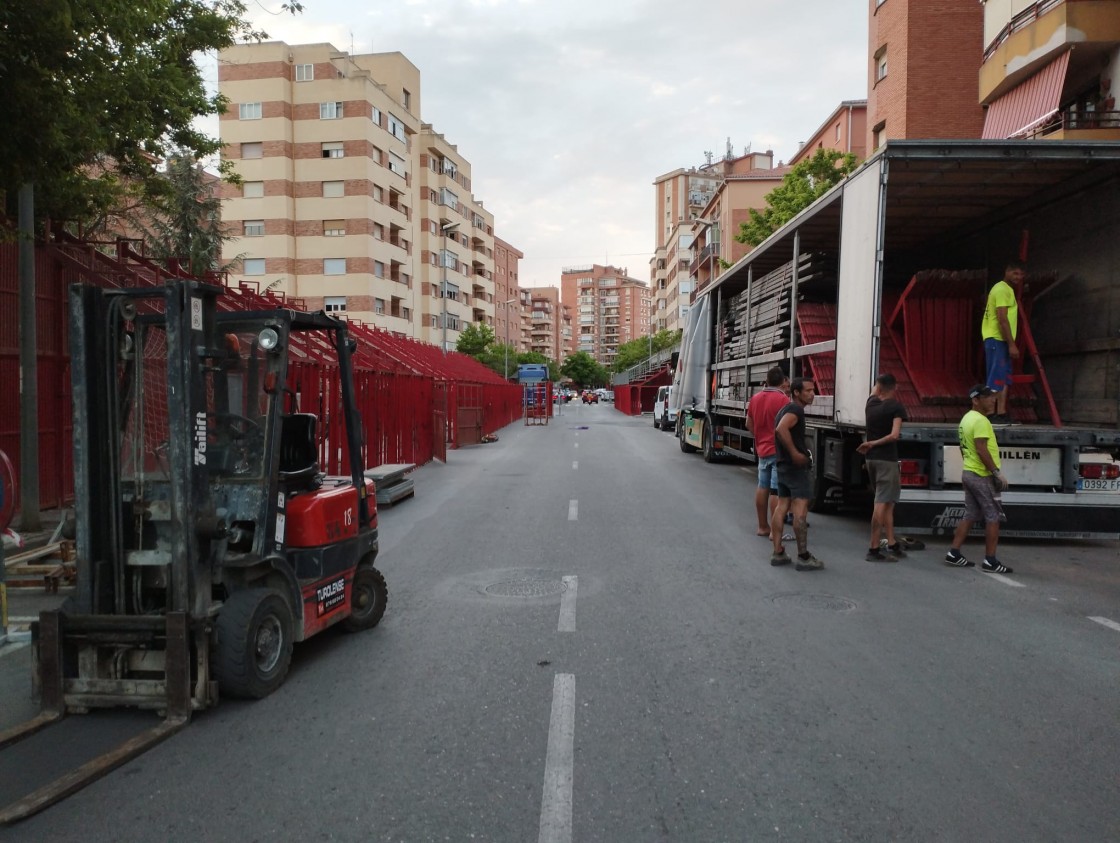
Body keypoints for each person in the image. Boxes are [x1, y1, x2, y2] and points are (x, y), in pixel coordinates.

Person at [944, 384, 1013, 573]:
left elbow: (964, 447)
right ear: (976, 400)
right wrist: (995, 472)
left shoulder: (966, 419)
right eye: (987, 397)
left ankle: (954, 553)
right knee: (993, 516)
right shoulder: (981, 421)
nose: (992, 400)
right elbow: (981, 448)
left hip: (969, 473)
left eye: (992, 397)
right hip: (981, 475)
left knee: (971, 514)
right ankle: (990, 561)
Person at [770, 377, 823, 571]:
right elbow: (781, 429)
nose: (812, 394)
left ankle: (778, 552)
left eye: (813, 390)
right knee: (800, 509)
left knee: (782, 505)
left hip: (783, 466)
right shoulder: (795, 410)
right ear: (796, 393)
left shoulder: (786, 409)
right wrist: (795, 453)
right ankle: (803, 556)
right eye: (807, 391)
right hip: (794, 468)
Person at [857, 373, 909, 562]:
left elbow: (875, 390)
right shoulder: (896, 407)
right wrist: (874, 443)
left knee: (887, 502)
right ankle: (873, 548)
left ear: (877, 388)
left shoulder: (870, 404)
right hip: (887, 459)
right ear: (894, 389)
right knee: (881, 504)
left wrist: (870, 444)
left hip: (871, 460)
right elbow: (895, 435)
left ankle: (892, 542)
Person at [745, 366, 790, 538]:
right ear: (782, 381)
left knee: (762, 486)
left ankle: (762, 527)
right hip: (777, 450)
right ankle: (775, 531)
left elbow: (748, 423)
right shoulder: (783, 400)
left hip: (762, 449)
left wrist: (760, 436)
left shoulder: (755, 398)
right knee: (775, 490)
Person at [982, 261, 1024, 425]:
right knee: (996, 377)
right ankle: (990, 414)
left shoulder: (1007, 290)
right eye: (1015, 273)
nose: (1018, 277)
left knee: (1004, 377)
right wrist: (1012, 344)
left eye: (1021, 275)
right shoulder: (1001, 289)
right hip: (997, 338)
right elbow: (1002, 318)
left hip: (1001, 340)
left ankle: (1001, 413)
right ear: (1007, 271)